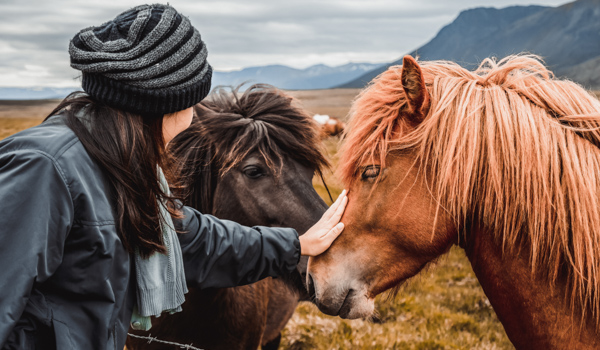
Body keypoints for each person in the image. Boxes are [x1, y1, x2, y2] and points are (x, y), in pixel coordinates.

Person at [0, 4, 347, 349]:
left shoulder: (115, 164)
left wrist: (295, 245)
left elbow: (189, 239)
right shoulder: (46, 168)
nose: (194, 116)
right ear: (161, 106)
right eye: (191, 103)